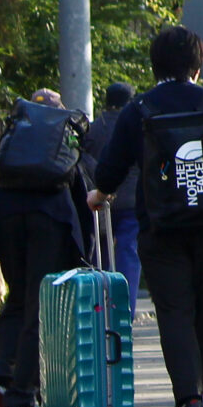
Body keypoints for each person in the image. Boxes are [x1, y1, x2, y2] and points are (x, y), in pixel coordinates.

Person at [86, 27, 203, 407]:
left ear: (154, 65)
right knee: (202, 315)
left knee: (174, 312)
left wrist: (99, 194)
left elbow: (110, 167)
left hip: (161, 230)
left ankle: (189, 400)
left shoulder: (139, 109)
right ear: (198, 65)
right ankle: (195, 393)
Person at [0, 88, 92, 407]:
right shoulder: (61, 139)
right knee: (38, 304)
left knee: (17, 299)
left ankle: (1, 377)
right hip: (48, 221)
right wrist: (83, 251)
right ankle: (20, 396)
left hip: (4, 219)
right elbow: (79, 194)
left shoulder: (16, 136)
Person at [88, 81, 142, 299]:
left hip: (99, 199)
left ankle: (97, 305)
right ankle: (124, 310)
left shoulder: (94, 128)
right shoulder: (137, 125)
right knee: (128, 252)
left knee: (99, 253)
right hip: (132, 201)